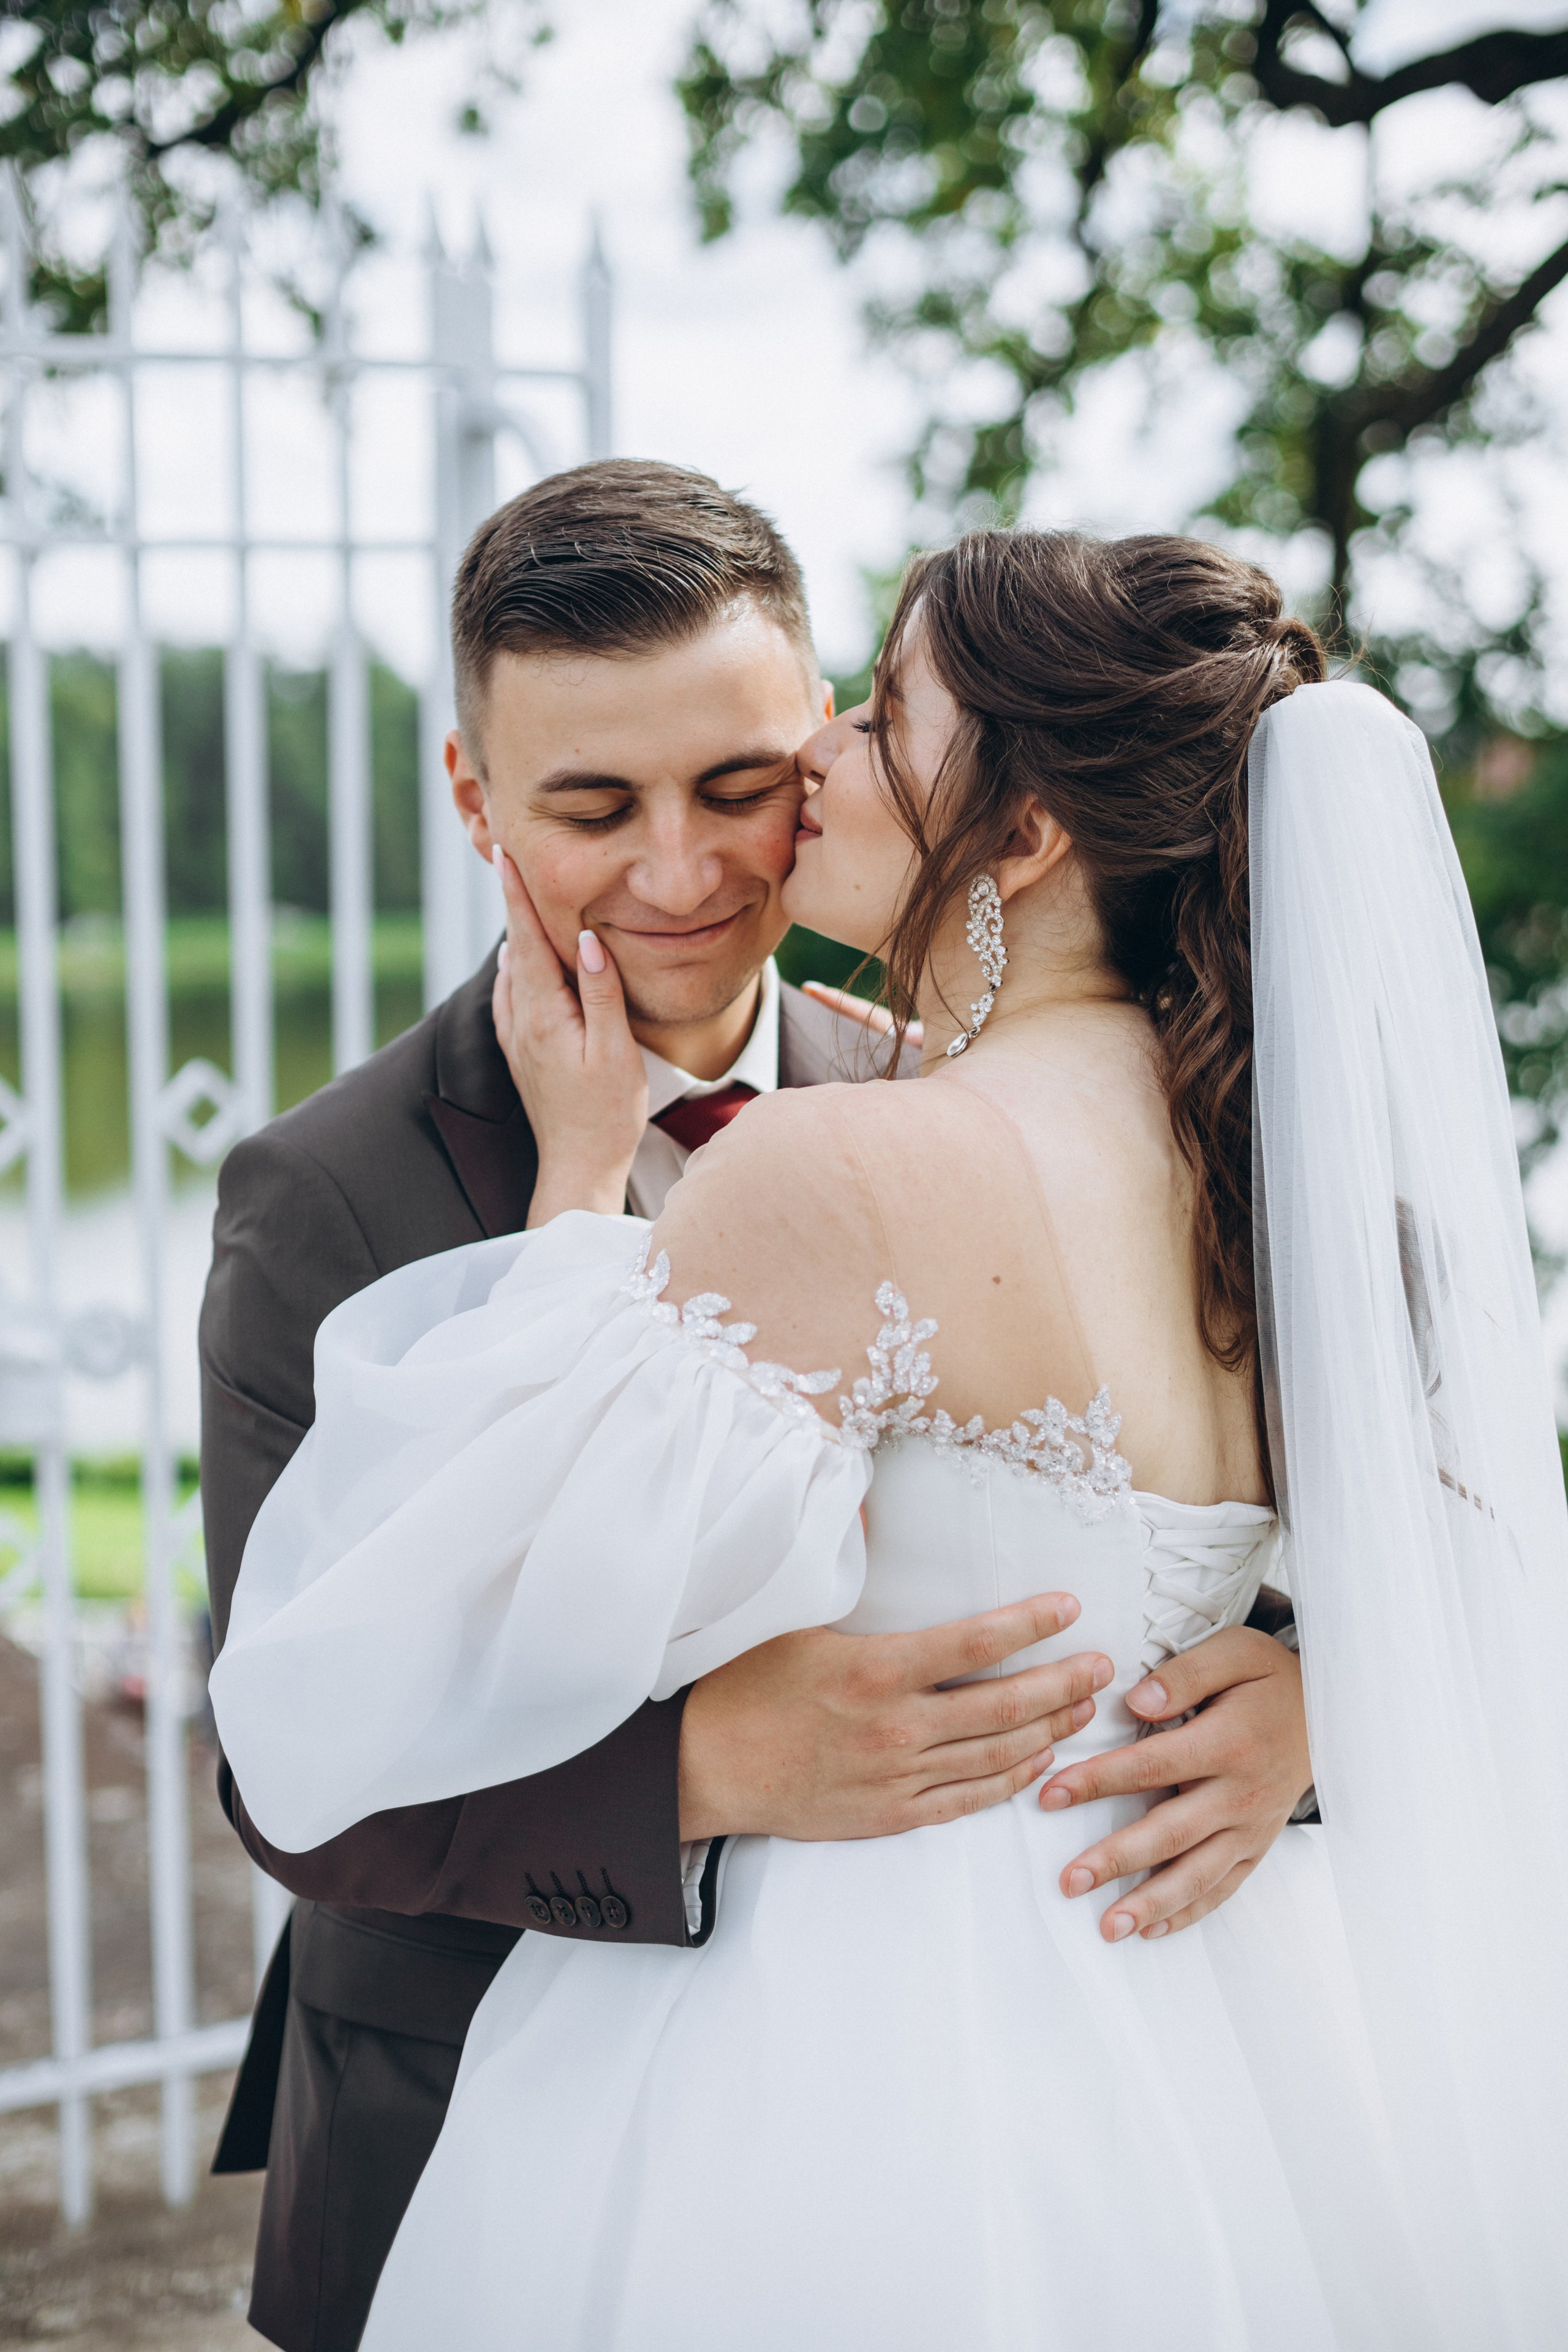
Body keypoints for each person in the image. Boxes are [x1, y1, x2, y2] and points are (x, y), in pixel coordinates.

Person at [202, 477, 1314, 2348]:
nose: (686, 872)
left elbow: (1334, 1512)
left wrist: (1302, 1688)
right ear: (477, 801)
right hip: (474, 2117)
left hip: (1050, 2083)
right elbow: (290, 1770)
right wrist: (713, 1774)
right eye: (590, 808)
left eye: (744, 784)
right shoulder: (328, 1194)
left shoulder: (941, 1108)